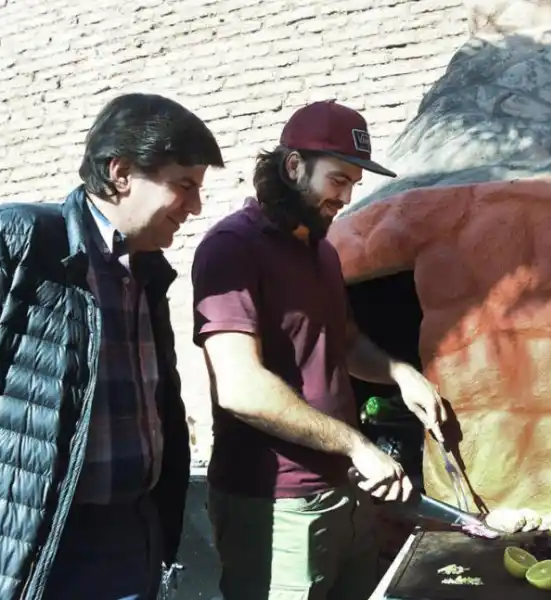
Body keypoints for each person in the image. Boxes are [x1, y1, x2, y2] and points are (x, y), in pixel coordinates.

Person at [0, 93, 224, 600]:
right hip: (27, 552)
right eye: (184, 185)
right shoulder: (6, 242)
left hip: (133, 543)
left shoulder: (147, 273)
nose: (195, 206)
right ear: (121, 172)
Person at [191, 100, 494, 600]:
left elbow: (346, 341)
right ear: (293, 166)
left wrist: (400, 373)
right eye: (338, 180)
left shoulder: (323, 253)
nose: (346, 196)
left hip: (346, 491)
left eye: (354, 183)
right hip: (275, 504)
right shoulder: (230, 247)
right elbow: (240, 387)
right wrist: (357, 445)